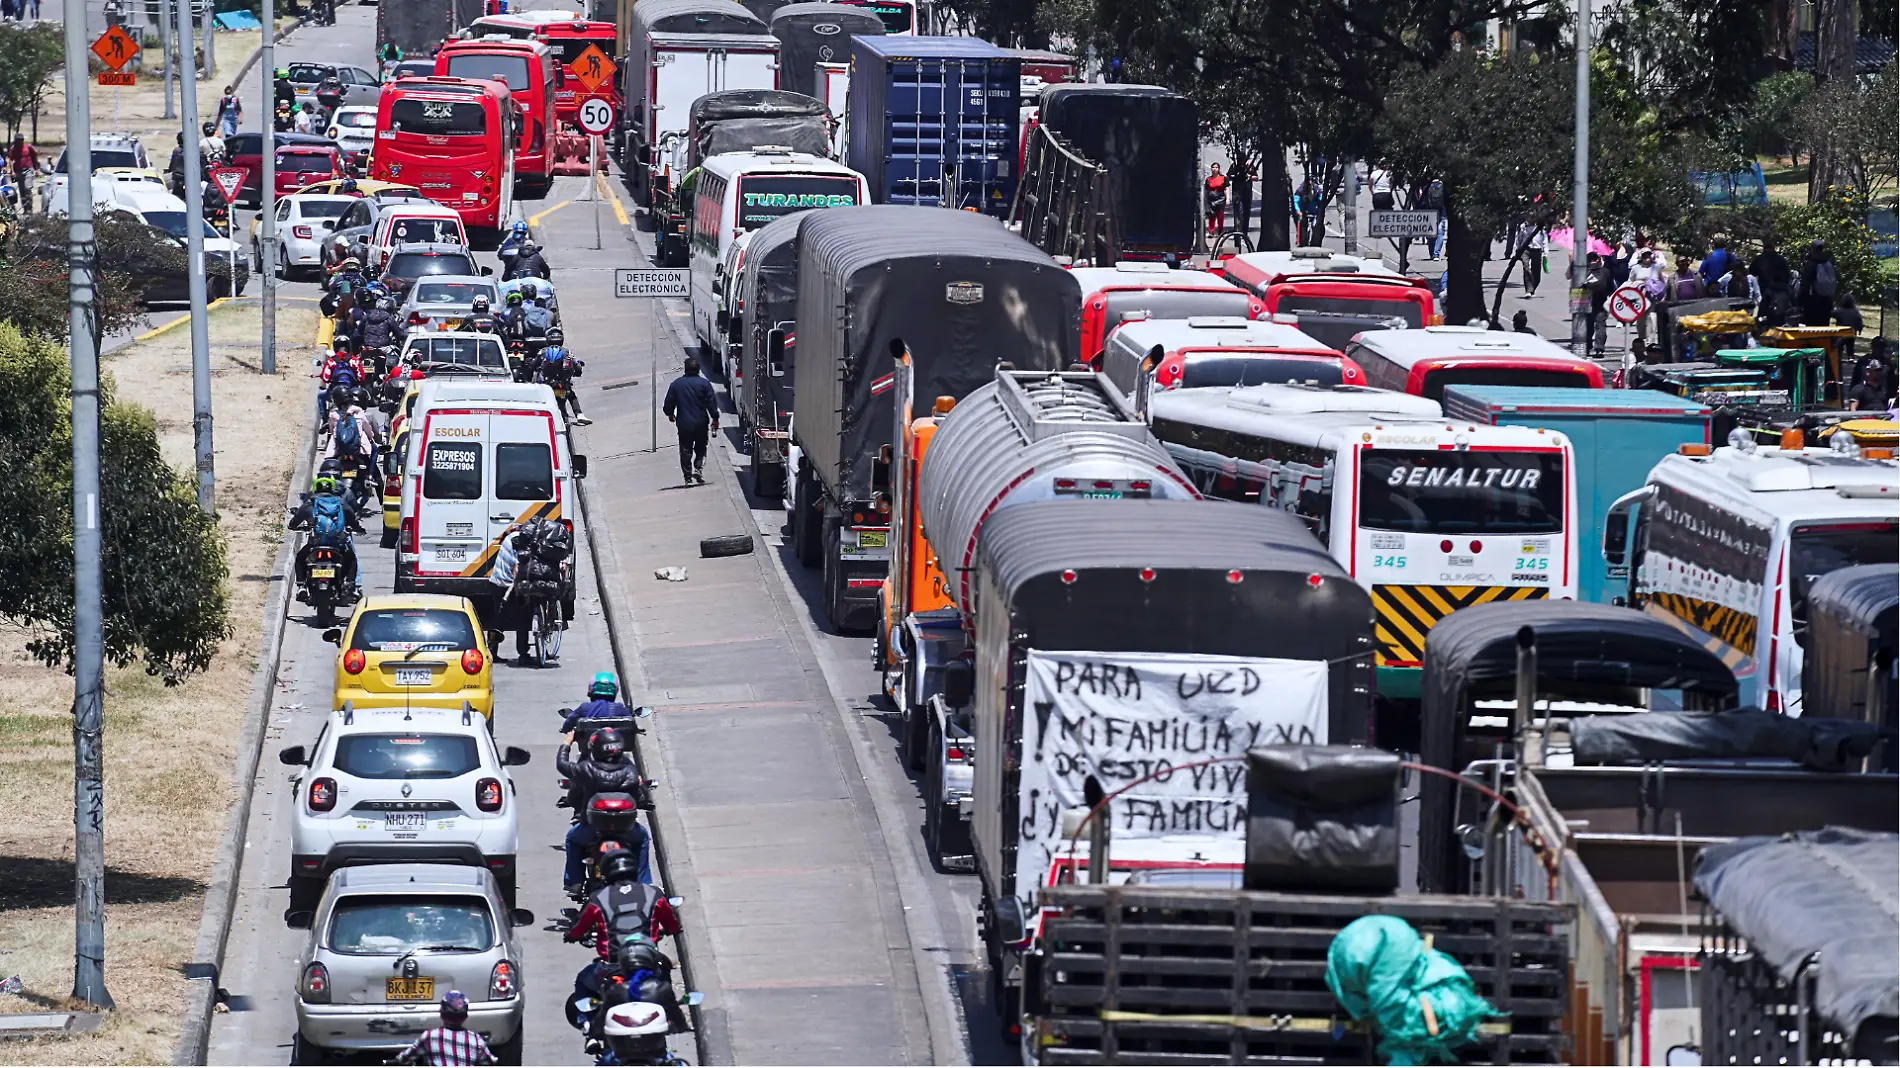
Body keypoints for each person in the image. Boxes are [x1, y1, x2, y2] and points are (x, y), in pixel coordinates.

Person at [556, 727, 653, 893]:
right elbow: (642, 799)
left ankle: (574, 881)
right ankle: (644, 882)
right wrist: (642, 786)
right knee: (642, 838)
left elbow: (563, 765)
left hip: (592, 829)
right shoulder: (629, 771)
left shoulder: (586, 769)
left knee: (572, 839)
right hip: (626, 830)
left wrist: (566, 744)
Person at [288, 473, 364, 594]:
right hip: (337, 544)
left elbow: (295, 520)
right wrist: (358, 529)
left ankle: (301, 586)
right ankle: (350, 584)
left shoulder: (310, 503)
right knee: (350, 558)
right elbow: (352, 518)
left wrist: (293, 526)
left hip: (315, 544)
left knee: (301, 557)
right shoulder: (340, 502)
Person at [393, 991, 496, 1066]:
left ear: (441, 1014)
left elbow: (405, 1058)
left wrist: (398, 1059)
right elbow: (490, 1061)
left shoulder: (430, 1037)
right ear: (465, 1017)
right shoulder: (476, 1040)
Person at [662, 356, 718, 485]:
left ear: (685, 369)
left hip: (684, 423)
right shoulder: (704, 384)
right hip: (701, 422)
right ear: (698, 369)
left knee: (685, 449)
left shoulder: (676, 384)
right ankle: (698, 468)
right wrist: (715, 417)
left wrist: (670, 414)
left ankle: (687, 478)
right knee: (701, 447)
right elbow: (712, 403)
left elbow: (668, 404)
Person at [539, 334, 588, 425]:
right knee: (571, 395)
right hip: (563, 383)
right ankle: (579, 414)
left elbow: (533, 365)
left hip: (547, 384)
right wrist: (578, 371)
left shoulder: (542, 352)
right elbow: (577, 367)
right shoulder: (567, 352)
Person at [562, 673, 635, 732]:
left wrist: (565, 730)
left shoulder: (585, 707)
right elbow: (631, 723)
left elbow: (570, 721)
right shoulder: (619, 708)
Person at [1752, 237, 1794, 327]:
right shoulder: (1781, 259)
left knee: (1765, 310)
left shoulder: (1760, 259)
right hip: (1783, 288)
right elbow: (1788, 273)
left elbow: (1752, 272)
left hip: (1766, 288)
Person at [1798, 239, 1839, 327]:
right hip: (1827, 302)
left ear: (1812, 249)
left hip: (1813, 303)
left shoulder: (1811, 264)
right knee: (1824, 329)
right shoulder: (1829, 263)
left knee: (1811, 330)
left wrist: (1799, 302)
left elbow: (1805, 285)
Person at [1583, 252, 1613, 358]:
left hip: (1601, 303)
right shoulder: (1583, 272)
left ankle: (1599, 348)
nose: (1593, 262)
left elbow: (1610, 287)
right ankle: (1588, 346)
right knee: (1588, 326)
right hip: (1586, 303)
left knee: (1600, 326)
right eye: (1590, 260)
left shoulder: (1605, 272)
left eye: (1595, 259)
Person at [1516, 221, 1548, 297]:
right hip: (1525, 249)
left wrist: (1545, 252)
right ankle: (1528, 290)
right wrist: (1518, 249)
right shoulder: (1523, 227)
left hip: (1537, 249)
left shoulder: (1540, 227)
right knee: (1526, 268)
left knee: (1536, 270)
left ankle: (1533, 288)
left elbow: (1545, 239)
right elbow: (1519, 238)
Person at [6, 134, 36, 213]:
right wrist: (12, 171)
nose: (19, 142)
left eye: (21, 140)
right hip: (19, 170)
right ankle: (25, 209)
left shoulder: (29, 147)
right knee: (22, 191)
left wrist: (37, 169)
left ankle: (29, 208)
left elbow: (34, 157)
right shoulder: (13, 149)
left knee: (27, 188)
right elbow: (11, 160)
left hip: (28, 169)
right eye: (17, 141)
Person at [1229, 158, 1254, 241]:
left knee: (1246, 213)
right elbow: (1228, 176)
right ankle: (1237, 232)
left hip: (1247, 193)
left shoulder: (1250, 166)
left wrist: (1249, 176)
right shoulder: (1234, 166)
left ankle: (1245, 232)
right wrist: (1235, 176)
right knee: (1238, 214)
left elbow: (1256, 177)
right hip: (1237, 193)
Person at [1203, 163, 1227, 236]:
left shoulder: (1223, 178)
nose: (1214, 169)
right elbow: (1206, 190)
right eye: (1213, 167)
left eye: (1216, 167)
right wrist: (1205, 199)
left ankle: (1220, 231)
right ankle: (1211, 231)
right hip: (1211, 199)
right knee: (1211, 215)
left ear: (1218, 169)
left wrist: (1228, 198)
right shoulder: (1208, 179)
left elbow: (1226, 188)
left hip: (1220, 199)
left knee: (1220, 216)